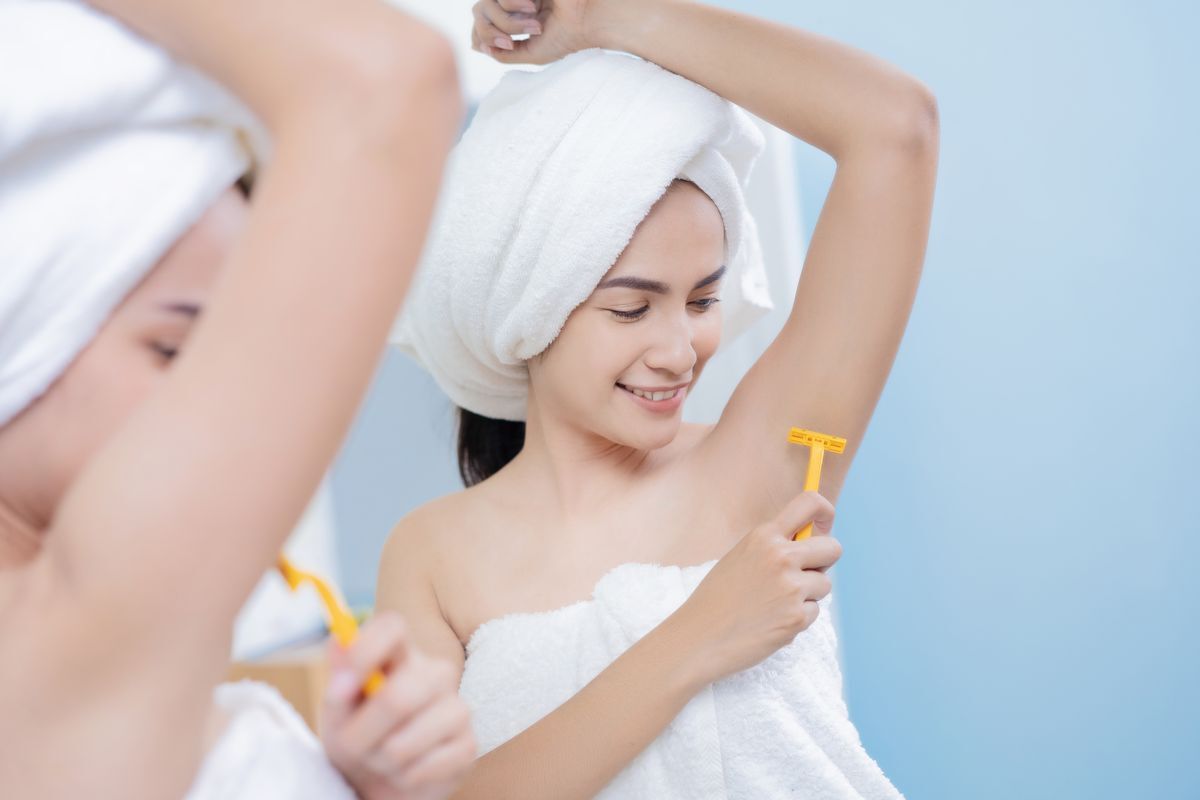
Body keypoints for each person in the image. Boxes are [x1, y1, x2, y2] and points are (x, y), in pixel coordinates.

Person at [379, 0, 938, 797]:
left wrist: (598, 19)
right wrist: (698, 636)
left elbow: (895, 126)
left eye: (703, 300)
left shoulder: (762, 468)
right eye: (631, 308)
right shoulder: (434, 556)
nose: (680, 352)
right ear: (528, 312)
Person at [0, 1, 473, 797]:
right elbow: (381, 82)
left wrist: (357, 783)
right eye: (174, 349)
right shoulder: (68, 639)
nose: (221, 398)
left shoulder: (92, 653)